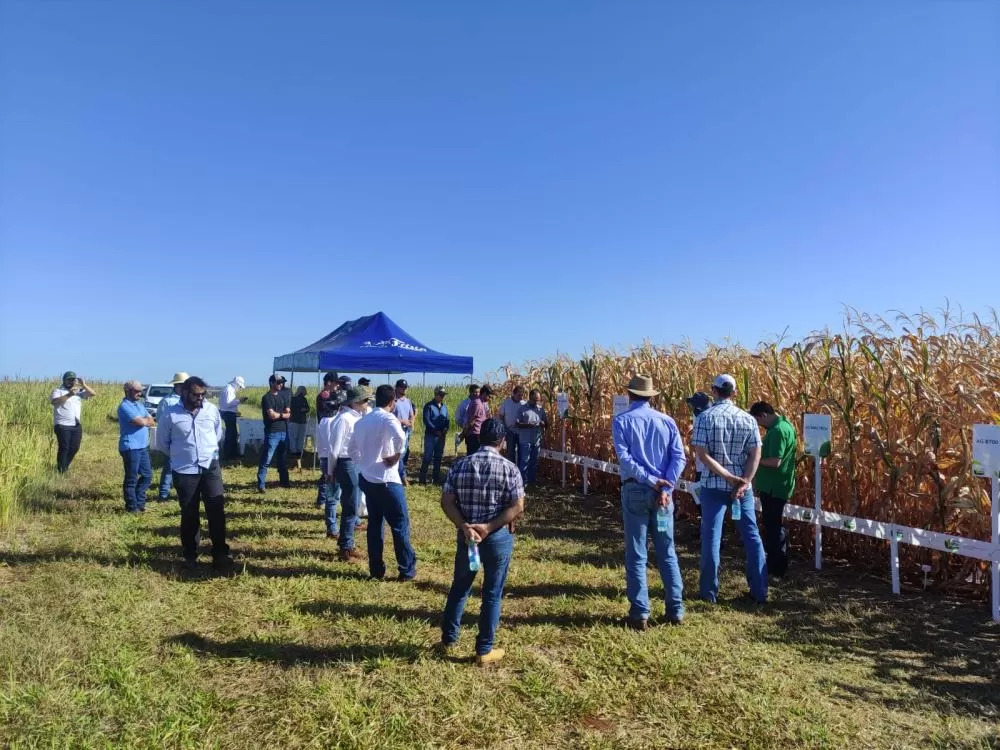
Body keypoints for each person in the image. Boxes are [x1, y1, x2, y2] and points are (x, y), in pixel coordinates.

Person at [439, 419, 525, 666]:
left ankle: (448, 639)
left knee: (460, 587)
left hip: (469, 539)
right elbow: (517, 506)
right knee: (492, 593)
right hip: (496, 538)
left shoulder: (460, 465)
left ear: (479, 438)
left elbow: (446, 501)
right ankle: (484, 649)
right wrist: (488, 527)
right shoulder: (510, 468)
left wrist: (464, 525)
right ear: (502, 441)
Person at [611, 374, 687, 630]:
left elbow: (625, 459)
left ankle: (640, 613)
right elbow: (679, 457)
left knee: (637, 554)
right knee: (667, 552)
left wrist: (650, 480)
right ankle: (675, 609)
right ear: (651, 396)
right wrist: (666, 485)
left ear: (630, 394)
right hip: (663, 497)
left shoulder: (621, 421)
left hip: (635, 491)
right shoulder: (667, 421)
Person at [692, 374, 767, 604]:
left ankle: (709, 592)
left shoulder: (704, 418)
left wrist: (727, 477)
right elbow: (756, 454)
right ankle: (759, 591)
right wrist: (744, 481)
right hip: (742, 490)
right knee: (752, 537)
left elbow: (702, 454)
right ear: (734, 393)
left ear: (713, 391)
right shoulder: (748, 419)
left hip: (713, 487)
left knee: (711, 538)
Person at [156, 376, 231, 571]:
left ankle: (220, 554)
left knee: (216, 510)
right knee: (189, 513)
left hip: (210, 467)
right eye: (196, 394)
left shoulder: (211, 410)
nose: (200, 398)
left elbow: (217, 434)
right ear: (184, 392)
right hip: (184, 470)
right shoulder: (170, 415)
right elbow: (162, 443)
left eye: (203, 394)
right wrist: (182, 455)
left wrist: (208, 452)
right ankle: (190, 554)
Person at [350, 384, 416, 581]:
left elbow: (352, 449)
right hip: (387, 480)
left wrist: (364, 463)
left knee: (375, 524)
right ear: (392, 402)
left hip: (368, 479)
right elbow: (401, 438)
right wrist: (396, 456)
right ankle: (406, 569)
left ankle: (376, 570)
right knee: (400, 525)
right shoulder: (388, 418)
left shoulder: (362, 421)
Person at [749, 401, 797, 578]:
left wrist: (754, 459)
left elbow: (775, 461)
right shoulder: (785, 425)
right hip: (777, 485)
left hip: (773, 487)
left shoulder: (777, 431)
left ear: (763, 415)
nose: (759, 425)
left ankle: (776, 566)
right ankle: (777, 563)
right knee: (774, 525)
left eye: (758, 421)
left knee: (773, 527)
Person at [326, 386, 371, 562]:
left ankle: (347, 543)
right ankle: (346, 547)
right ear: (355, 402)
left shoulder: (356, 417)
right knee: (351, 505)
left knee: (353, 504)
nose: (367, 403)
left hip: (354, 463)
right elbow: (334, 449)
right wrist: (330, 471)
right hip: (346, 463)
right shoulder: (344, 419)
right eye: (365, 400)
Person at [117, 380, 156, 514]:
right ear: (127, 391)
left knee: (147, 475)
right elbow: (140, 422)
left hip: (142, 446)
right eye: (137, 391)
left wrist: (145, 421)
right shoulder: (124, 407)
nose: (140, 393)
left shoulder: (139, 405)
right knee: (131, 478)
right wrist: (144, 421)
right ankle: (132, 507)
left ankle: (140, 503)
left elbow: (151, 421)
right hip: (130, 447)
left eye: (141, 391)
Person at [50, 371, 97, 473]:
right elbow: (54, 402)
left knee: (75, 447)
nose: (70, 382)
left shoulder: (78, 392)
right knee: (64, 447)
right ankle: (61, 470)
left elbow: (93, 393)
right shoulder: (58, 391)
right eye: (68, 380)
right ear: (64, 380)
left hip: (76, 424)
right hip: (62, 424)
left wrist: (83, 385)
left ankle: (64, 466)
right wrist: (69, 394)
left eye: (72, 380)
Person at [154, 372, 189, 500]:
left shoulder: (189, 399)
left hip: (186, 439)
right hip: (173, 439)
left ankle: (180, 491)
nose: (184, 388)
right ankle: (163, 494)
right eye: (182, 385)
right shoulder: (167, 401)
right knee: (169, 467)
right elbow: (161, 421)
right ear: (176, 386)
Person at [684, 391, 712, 537]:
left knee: (705, 504)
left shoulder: (705, 419)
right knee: (701, 502)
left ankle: (709, 535)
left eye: (693, 405)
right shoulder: (701, 417)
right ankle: (705, 531)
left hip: (707, 470)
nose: (691, 408)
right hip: (702, 468)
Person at [257, 374, 291, 493]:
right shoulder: (266, 398)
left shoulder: (283, 397)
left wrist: (279, 415)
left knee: (283, 459)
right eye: (279, 382)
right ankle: (261, 485)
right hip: (272, 432)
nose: (281, 384)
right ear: (272, 383)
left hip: (283, 431)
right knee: (267, 459)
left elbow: (288, 413)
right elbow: (272, 415)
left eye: (282, 382)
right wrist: (282, 415)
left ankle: (284, 482)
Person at [315, 396, 343, 539]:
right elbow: (334, 446)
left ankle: (332, 525)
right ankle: (332, 527)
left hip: (323, 457)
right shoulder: (334, 422)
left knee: (331, 492)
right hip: (332, 458)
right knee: (334, 494)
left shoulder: (322, 422)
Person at [315, 372, 344, 508]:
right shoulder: (324, 395)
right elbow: (331, 406)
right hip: (326, 434)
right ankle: (323, 499)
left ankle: (323, 499)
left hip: (329, 433)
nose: (337, 386)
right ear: (328, 383)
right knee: (327, 468)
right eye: (335, 383)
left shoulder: (333, 395)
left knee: (329, 469)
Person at [516, 389, 548, 485]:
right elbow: (517, 424)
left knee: (534, 461)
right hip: (525, 440)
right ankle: (522, 482)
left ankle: (532, 481)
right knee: (524, 461)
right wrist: (528, 425)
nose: (537, 402)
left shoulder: (540, 409)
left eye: (538, 400)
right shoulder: (522, 409)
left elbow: (546, 423)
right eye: (535, 400)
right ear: (530, 397)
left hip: (536, 440)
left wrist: (543, 423)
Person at [419, 386, 450, 485]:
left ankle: (435, 479)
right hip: (431, 436)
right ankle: (422, 480)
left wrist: (446, 428)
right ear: (436, 394)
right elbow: (426, 420)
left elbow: (447, 420)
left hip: (441, 436)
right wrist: (435, 430)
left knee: (438, 457)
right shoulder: (429, 406)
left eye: (443, 395)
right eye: (441, 395)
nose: (442, 397)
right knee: (427, 457)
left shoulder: (444, 407)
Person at [391, 379, 416, 485]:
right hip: (396, 432)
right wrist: (402, 421)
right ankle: (402, 477)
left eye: (405, 387)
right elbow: (389, 417)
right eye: (402, 387)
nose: (404, 389)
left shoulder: (408, 401)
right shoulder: (393, 401)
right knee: (399, 455)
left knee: (403, 454)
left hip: (406, 431)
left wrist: (412, 421)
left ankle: (399, 475)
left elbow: (411, 414)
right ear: (397, 388)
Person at [218, 375, 246, 461]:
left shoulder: (228, 389)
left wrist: (235, 411)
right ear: (237, 384)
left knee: (233, 434)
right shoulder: (229, 390)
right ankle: (228, 455)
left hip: (228, 413)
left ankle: (233, 453)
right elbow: (228, 404)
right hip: (228, 414)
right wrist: (239, 400)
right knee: (230, 435)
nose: (240, 388)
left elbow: (226, 404)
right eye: (240, 386)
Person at [498, 385, 526, 467]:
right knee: (510, 453)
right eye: (519, 395)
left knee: (522, 453)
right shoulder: (506, 403)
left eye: (522, 395)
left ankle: (519, 471)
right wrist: (505, 428)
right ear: (514, 394)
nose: (521, 397)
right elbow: (501, 416)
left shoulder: (524, 404)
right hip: (510, 432)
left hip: (521, 432)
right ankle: (511, 469)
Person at [461, 385, 492, 454]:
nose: (489, 398)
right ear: (484, 394)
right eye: (489, 396)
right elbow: (472, 421)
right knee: (474, 456)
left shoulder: (480, 403)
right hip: (474, 436)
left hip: (476, 435)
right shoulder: (478, 404)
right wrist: (463, 433)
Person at [455, 384, 479, 453]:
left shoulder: (481, 403)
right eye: (475, 392)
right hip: (469, 433)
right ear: (470, 392)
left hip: (479, 433)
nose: (477, 394)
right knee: (471, 452)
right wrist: (465, 427)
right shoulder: (464, 404)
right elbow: (458, 418)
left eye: (478, 392)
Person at [288, 386, 310, 457]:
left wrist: (304, 409)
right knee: (294, 437)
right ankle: (294, 451)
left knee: (300, 437)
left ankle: (298, 450)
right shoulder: (292, 399)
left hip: (301, 421)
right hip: (294, 420)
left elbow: (308, 408)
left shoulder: (303, 399)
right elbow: (290, 409)